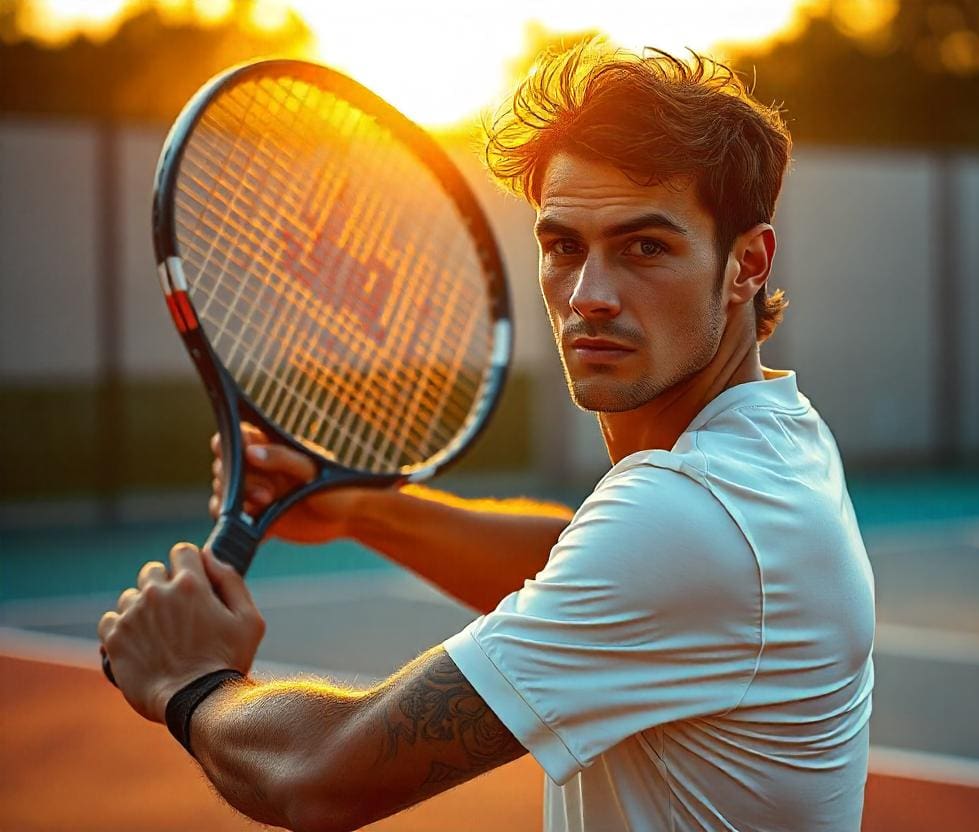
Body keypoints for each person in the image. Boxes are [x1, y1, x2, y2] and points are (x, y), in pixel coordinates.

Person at [98, 42, 876, 832]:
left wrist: (189, 679)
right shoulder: (774, 441)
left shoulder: (686, 520)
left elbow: (316, 778)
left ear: (747, 264)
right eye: (563, 246)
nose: (589, 296)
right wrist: (363, 511)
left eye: (646, 247)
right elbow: (579, 558)